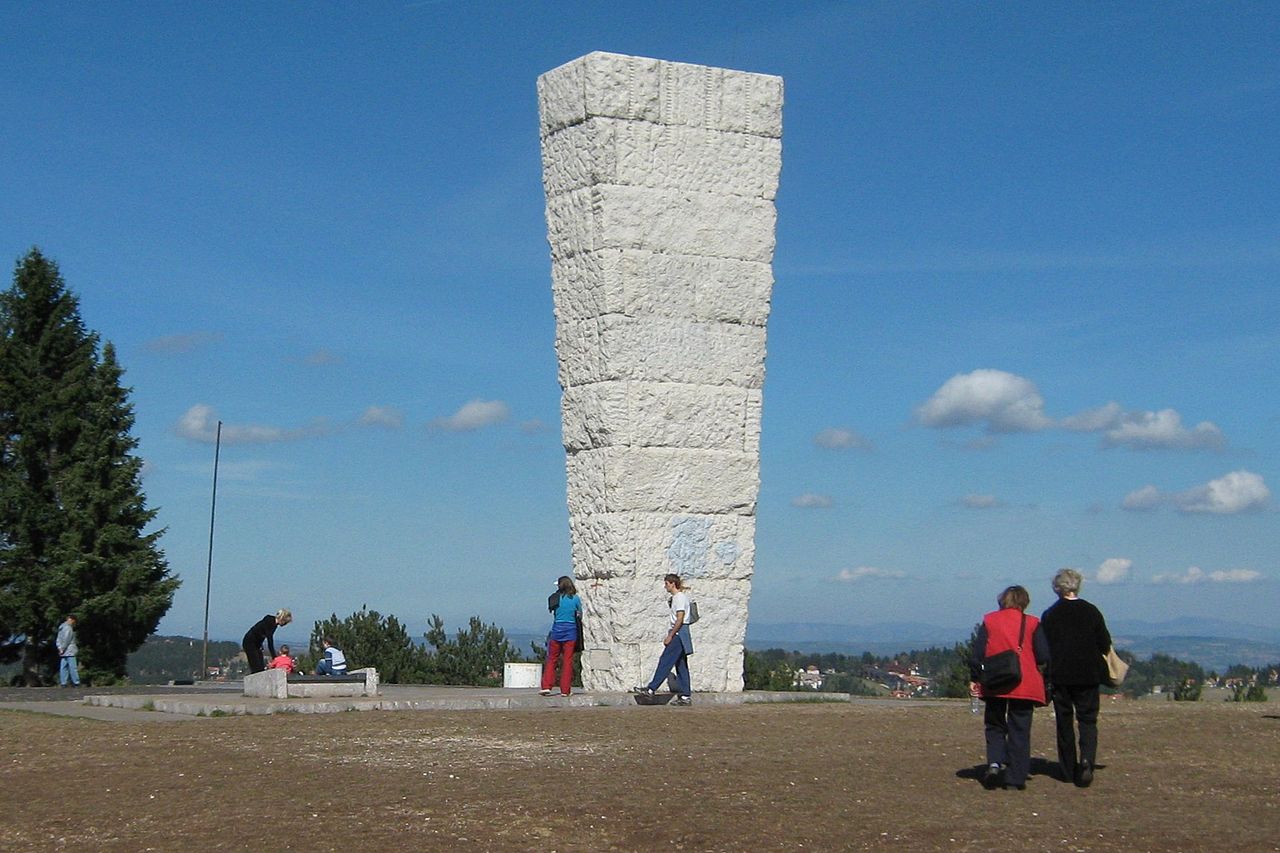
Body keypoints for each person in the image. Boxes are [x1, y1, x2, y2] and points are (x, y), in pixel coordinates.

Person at [969, 585, 1049, 790]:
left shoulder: (990, 621)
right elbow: (1043, 655)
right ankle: (1016, 777)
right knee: (1020, 730)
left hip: (996, 680)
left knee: (994, 724)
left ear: (1002, 601)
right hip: (1024, 682)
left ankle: (995, 762)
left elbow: (977, 654)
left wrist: (975, 677)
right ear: (1024, 602)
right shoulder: (1032, 623)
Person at [1041, 567, 1113, 788]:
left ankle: (1066, 768)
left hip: (1061, 674)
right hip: (1088, 673)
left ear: (1057, 588)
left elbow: (1044, 649)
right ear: (1077, 585)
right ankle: (1086, 761)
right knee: (1088, 720)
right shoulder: (1091, 611)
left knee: (1064, 721)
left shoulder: (1050, 614)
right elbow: (1104, 642)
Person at [632, 574, 694, 706]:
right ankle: (685, 695)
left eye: (666, 583)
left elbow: (680, 618)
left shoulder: (679, 598)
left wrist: (671, 635)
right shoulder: (677, 598)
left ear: (672, 583)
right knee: (681, 665)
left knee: (665, 661)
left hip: (678, 634)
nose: (665, 586)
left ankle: (651, 689)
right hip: (680, 633)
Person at [540, 575, 582, 696]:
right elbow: (579, 614)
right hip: (571, 631)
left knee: (552, 659)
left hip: (557, 630)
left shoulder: (556, 598)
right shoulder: (575, 599)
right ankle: (565, 690)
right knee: (567, 661)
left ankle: (546, 685)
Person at [242, 609, 292, 674]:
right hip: (249, 643)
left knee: (261, 667)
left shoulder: (274, 625)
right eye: (285, 622)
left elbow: (262, 635)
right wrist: (274, 657)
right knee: (256, 667)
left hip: (257, 644)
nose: (285, 624)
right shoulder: (269, 621)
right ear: (283, 619)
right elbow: (269, 640)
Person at [56, 615, 80, 687]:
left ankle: (63, 682)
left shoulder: (61, 627)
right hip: (69, 650)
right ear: (72, 620)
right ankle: (76, 682)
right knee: (72, 667)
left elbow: (58, 639)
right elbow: (67, 639)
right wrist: (63, 648)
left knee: (63, 667)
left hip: (63, 651)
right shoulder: (68, 628)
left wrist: (59, 648)